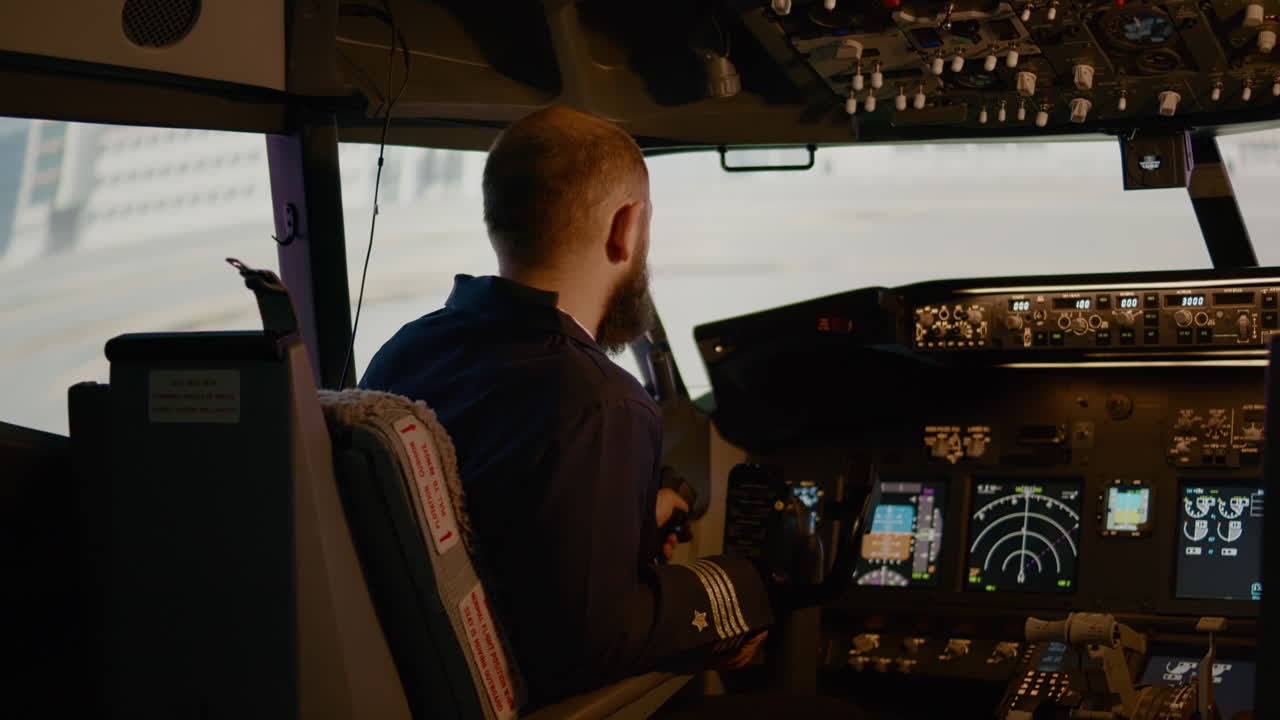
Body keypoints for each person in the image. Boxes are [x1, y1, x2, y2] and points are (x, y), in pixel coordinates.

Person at [360, 106, 774, 708]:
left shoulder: (406, 350)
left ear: (500, 217)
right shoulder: (601, 403)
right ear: (626, 226)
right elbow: (592, 645)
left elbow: (495, 529)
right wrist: (739, 589)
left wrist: (656, 505)